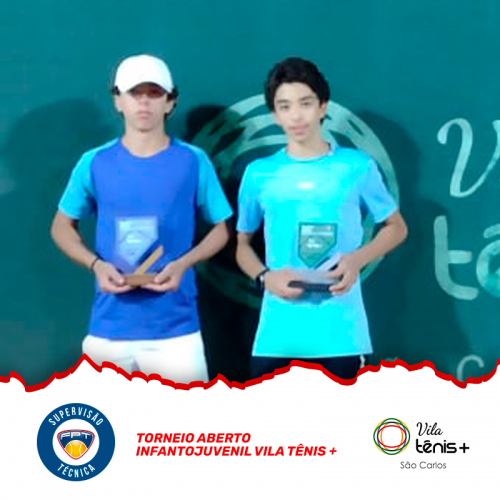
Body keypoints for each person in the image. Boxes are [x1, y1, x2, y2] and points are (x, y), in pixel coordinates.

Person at [51, 54, 232, 383]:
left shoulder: (194, 160)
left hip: (177, 333)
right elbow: (62, 226)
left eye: (154, 93)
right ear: (117, 101)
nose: (144, 102)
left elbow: (221, 228)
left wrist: (183, 264)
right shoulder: (94, 162)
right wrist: (96, 265)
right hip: (108, 330)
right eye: (135, 93)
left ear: (170, 102)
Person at [235, 57, 408, 380]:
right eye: (285, 106)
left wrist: (357, 259)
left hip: (342, 335)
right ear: (274, 114)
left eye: (305, 103)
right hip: (276, 336)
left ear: (322, 106)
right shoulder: (259, 173)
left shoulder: (357, 166)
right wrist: (264, 277)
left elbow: (396, 227)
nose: (296, 115)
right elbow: (242, 244)